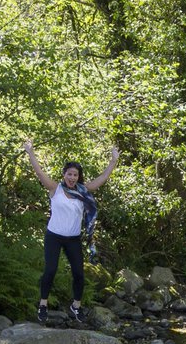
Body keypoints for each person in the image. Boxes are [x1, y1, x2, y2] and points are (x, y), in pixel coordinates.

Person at [25, 138, 119, 324]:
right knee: (50, 270)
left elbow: (102, 179)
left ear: (79, 177)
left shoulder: (83, 191)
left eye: (75, 175)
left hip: (73, 239)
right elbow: (39, 172)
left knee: (79, 273)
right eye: (69, 174)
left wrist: (113, 161)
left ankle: (76, 306)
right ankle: (43, 304)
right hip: (54, 236)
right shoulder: (55, 189)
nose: (72, 178)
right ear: (64, 175)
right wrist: (30, 152)